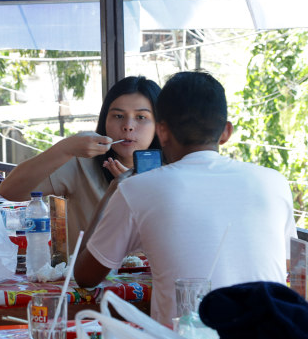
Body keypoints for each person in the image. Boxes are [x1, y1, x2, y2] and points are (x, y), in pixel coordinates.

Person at [74, 71, 297, 325]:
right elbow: (288, 262)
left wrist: (115, 188)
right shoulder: (274, 182)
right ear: (226, 133)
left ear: (162, 132)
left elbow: (84, 276)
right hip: (274, 335)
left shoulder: (137, 189)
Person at [0, 76, 161, 250]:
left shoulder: (174, 168)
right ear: (104, 120)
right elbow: (10, 191)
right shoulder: (82, 162)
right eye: (118, 115)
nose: (128, 126)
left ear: (160, 125)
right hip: (89, 277)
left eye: (141, 117)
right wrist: (64, 149)